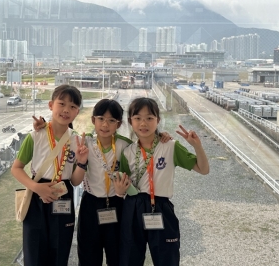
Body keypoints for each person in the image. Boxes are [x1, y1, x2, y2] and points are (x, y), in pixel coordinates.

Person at [32, 98, 172, 266]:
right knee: (88, 256)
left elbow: (145, 143)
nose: (105, 125)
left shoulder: (125, 145)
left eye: (111, 120)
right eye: (101, 119)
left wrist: (161, 135)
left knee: (118, 256)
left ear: (119, 124)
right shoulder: (84, 142)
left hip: (118, 205)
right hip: (90, 204)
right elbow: (62, 135)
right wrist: (44, 125)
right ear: (93, 120)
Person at [116, 97, 209, 266]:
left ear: (158, 120)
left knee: (167, 258)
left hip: (160, 206)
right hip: (133, 206)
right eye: (138, 118)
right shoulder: (128, 151)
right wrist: (119, 191)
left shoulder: (170, 146)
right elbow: (123, 184)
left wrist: (197, 146)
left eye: (149, 118)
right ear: (130, 121)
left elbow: (203, 169)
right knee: (129, 258)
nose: (143, 123)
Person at [11, 84, 89, 266]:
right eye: (61, 104)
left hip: (63, 195)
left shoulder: (77, 140)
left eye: (72, 106)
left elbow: (75, 181)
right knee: (34, 254)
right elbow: (16, 168)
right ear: (51, 105)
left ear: (77, 112)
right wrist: (37, 188)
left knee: (60, 254)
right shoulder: (35, 136)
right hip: (36, 197)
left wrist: (82, 162)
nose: (66, 110)